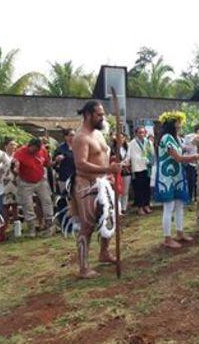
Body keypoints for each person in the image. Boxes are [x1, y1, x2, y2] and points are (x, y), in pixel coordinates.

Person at [71, 100, 121, 279]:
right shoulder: (81, 137)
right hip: (86, 184)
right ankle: (83, 267)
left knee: (108, 218)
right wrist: (108, 170)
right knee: (87, 226)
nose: (102, 117)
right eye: (99, 114)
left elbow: (103, 155)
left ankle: (104, 252)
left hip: (103, 182)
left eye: (103, 114)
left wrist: (112, 166)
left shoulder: (98, 134)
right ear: (88, 115)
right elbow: (81, 164)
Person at [155, 111, 199, 249]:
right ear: (172, 124)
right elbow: (178, 158)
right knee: (169, 207)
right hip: (167, 176)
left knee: (179, 205)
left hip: (177, 175)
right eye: (178, 122)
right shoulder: (166, 138)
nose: (180, 125)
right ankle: (167, 238)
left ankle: (180, 232)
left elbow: (183, 151)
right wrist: (197, 157)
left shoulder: (176, 138)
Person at [14, 138, 55, 237]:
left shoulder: (42, 150)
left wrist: (55, 161)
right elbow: (16, 164)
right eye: (35, 149)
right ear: (29, 146)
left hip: (40, 180)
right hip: (25, 182)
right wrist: (16, 167)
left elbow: (47, 163)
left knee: (47, 201)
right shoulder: (20, 152)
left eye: (38, 149)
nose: (37, 151)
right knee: (27, 205)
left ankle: (49, 226)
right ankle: (31, 229)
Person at [128, 127, 154, 215]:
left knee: (147, 187)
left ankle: (146, 205)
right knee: (139, 188)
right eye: (139, 133)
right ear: (136, 134)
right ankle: (140, 207)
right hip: (137, 168)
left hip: (147, 168)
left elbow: (152, 153)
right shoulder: (132, 143)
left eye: (143, 132)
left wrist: (151, 161)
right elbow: (131, 155)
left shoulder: (149, 142)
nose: (141, 134)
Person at [112, 132, 131, 214]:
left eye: (122, 137)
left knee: (125, 191)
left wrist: (127, 163)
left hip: (126, 171)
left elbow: (130, 158)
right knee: (118, 191)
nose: (121, 139)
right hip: (117, 172)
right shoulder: (113, 149)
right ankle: (118, 209)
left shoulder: (127, 148)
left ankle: (124, 208)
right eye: (118, 137)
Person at [182, 124, 199, 202]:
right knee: (190, 180)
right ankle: (190, 196)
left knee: (198, 180)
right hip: (190, 161)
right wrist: (191, 144)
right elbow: (184, 147)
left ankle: (197, 196)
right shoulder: (188, 137)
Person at [53, 128, 76, 194]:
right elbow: (54, 164)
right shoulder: (60, 148)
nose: (73, 137)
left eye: (74, 135)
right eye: (71, 135)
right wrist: (57, 160)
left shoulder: (79, 147)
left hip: (77, 177)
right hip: (64, 177)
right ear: (66, 137)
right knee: (65, 197)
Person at [2, 138, 19, 225]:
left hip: (15, 182)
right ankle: (5, 225)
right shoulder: (1, 156)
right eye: (11, 144)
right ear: (6, 146)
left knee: (15, 204)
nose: (13, 146)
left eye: (14, 144)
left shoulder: (17, 156)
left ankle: (16, 224)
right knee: (5, 205)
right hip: (4, 182)